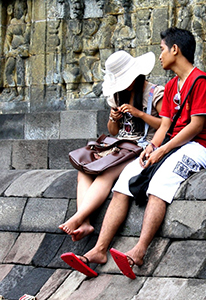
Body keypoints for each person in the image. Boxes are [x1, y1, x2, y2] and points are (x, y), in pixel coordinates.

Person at [61, 27, 206, 279]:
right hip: (171, 145)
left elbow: (196, 126)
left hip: (199, 146)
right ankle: (99, 250)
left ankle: (139, 250)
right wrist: (151, 148)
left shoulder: (200, 81)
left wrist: (163, 149)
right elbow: (165, 126)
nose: (160, 56)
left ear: (175, 50)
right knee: (125, 180)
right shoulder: (171, 87)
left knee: (159, 182)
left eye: (162, 49)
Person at [59, 50, 164, 242]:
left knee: (107, 173)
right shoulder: (117, 96)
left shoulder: (154, 93)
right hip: (118, 145)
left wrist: (139, 114)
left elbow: (166, 125)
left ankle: (78, 217)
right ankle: (85, 223)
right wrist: (113, 118)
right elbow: (113, 130)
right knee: (84, 171)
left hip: (141, 147)